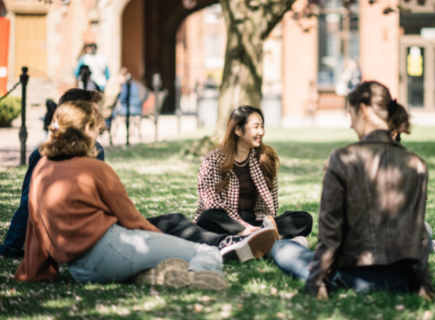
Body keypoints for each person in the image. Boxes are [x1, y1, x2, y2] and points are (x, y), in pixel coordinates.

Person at [1, 89, 278, 264]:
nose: (103, 125)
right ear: (83, 123)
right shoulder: (86, 160)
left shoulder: (67, 157)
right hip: (100, 243)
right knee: (194, 244)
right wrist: (13, 247)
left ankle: (232, 238)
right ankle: (229, 244)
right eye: (97, 119)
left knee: (175, 220)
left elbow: (36, 209)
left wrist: (31, 264)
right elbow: (30, 206)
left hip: (86, 244)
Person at [14, 101, 230, 288]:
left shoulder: (41, 169)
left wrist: (34, 271)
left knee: (146, 261)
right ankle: (192, 280)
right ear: (87, 128)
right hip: (110, 251)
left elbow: (36, 226)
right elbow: (132, 221)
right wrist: (161, 240)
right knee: (206, 252)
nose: (99, 135)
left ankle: (157, 276)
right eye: (98, 129)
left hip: (79, 271)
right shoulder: (95, 169)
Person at [270, 81, 435, 299]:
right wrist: (422, 283)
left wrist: (318, 280)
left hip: (351, 275)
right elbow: (418, 233)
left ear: (364, 111)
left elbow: (330, 230)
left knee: (281, 248)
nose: (350, 124)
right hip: (400, 279)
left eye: (351, 115)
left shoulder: (342, 158)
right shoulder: (417, 163)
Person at [0, 89, 105, 259]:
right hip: (58, 238)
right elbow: (29, 203)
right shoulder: (45, 154)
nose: (100, 123)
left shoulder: (96, 150)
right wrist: (12, 246)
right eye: (94, 117)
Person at [194, 106, 313, 243]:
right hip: (225, 219)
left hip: (256, 220)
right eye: (255, 127)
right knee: (207, 217)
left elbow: (269, 208)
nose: (261, 132)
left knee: (304, 218)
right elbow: (211, 204)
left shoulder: (265, 159)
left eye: (262, 126)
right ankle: (257, 237)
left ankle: (256, 239)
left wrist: (258, 226)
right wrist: (246, 228)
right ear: (238, 130)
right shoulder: (213, 160)